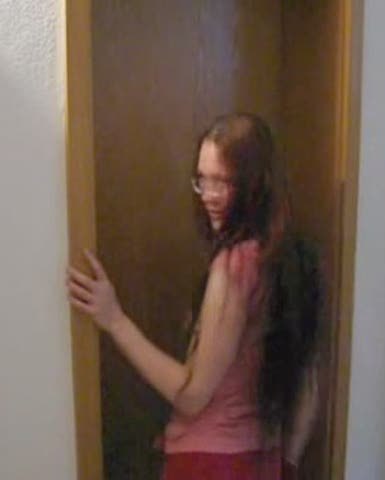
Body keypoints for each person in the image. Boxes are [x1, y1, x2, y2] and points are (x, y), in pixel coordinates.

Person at [66, 112, 323, 479]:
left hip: (211, 462)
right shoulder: (291, 260)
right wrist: (287, 465)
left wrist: (115, 320)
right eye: (203, 180)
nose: (210, 196)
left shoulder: (235, 266)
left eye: (223, 182)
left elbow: (192, 395)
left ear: (255, 185)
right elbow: (308, 385)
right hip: (262, 458)